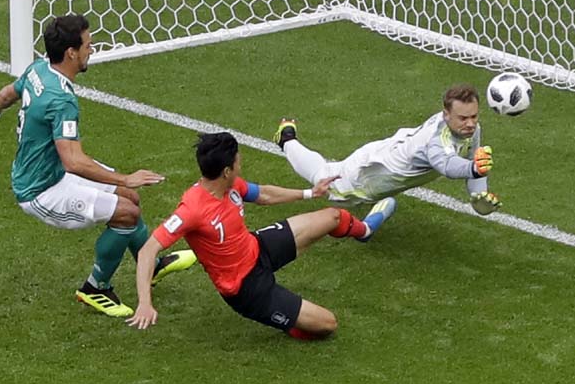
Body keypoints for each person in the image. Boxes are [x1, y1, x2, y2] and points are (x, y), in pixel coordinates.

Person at [0, 14, 196, 317]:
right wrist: (126, 177)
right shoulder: (61, 100)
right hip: (41, 190)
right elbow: (73, 160)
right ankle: (95, 288)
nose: (90, 50)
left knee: (129, 198)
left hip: (51, 169)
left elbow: (9, 93)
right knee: (127, 213)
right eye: (87, 45)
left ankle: (151, 264)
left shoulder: (39, 69)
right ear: (71, 52)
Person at [127, 132, 373, 339]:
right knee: (328, 324)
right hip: (246, 288)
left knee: (333, 216)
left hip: (258, 248)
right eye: (237, 161)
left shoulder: (230, 185)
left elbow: (264, 195)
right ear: (226, 171)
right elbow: (148, 250)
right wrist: (144, 303)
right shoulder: (192, 209)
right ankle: (286, 321)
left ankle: (366, 230)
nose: (240, 163)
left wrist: (311, 193)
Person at [272, 83, 501, 236]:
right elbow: (448, 165)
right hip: (370, 173)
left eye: (474, 116)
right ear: (446, 114)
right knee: (325, 179)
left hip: (390, 151)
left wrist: (477, 196)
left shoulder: (471, 129)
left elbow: (474, 164)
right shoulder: (436, 140)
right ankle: (286, 138)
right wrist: (474, 168)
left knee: (334, 178)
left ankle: (368, 222)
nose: (470, 123)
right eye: (463, 118)